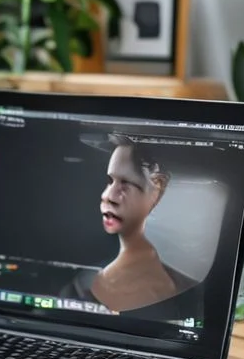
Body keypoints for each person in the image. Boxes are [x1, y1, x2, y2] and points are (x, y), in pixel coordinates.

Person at [62, 134, 198, 313]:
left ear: (158, 189)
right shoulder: (81, 285)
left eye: (125, 183)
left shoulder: (183, 291)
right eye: (110, 181)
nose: (107, 196)